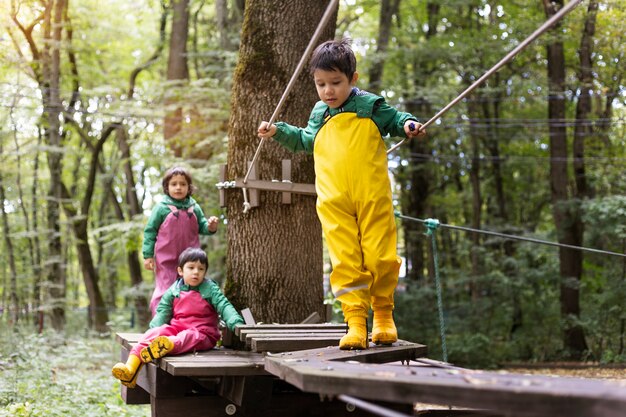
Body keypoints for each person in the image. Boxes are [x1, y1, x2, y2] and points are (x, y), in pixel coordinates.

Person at [257, 39, 426, 350]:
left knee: (380, 254)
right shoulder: (320, 114)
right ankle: (356, 320)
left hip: (371, 194)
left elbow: (398, 120)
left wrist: (410, 124)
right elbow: (305, 140)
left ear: (353, 79)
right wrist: (278, 131)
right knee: (345, 259)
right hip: (334, 200)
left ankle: (384, 315)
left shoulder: (370, 106)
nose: (328, 91)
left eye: (336, 83)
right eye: (321, 84)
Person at [112, 247, 244, 388]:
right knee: (155, 333)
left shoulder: (210, 289)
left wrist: (235, 323)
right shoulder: (174, 290)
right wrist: (155, 330)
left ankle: (167, 345)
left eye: (201, 269)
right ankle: (130, 369)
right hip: (177, 328)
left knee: (188, 335)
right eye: (191, 267)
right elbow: (163, 310)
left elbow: (224, 306)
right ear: (180, 271)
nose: (196, 272)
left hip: (203, 333)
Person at [143, 166, 219, 314]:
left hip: (190, 259)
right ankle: (160, 322)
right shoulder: (161, 208)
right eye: (174, 184)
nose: (178, 187)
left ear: (189, 187)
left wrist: (211, 226)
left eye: (183, 184)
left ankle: (185, 318)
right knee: (165, 289)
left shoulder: (193, 207)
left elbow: (202, 226)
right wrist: (148, 256)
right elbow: (150, 232)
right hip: (166, 260)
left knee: (189, 289)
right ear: (167, 187)